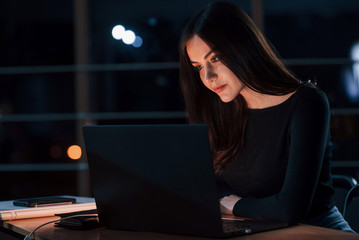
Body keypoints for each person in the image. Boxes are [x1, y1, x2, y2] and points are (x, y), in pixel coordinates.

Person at [178, 1, 354, 232]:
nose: (208, 76)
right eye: (198, 66)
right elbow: (212, 188)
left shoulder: (307, 102)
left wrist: (238, 205)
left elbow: (290, 209)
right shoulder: (223, 106)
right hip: (254, 228)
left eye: (215, 59)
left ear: (243, 48)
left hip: (315, 230)